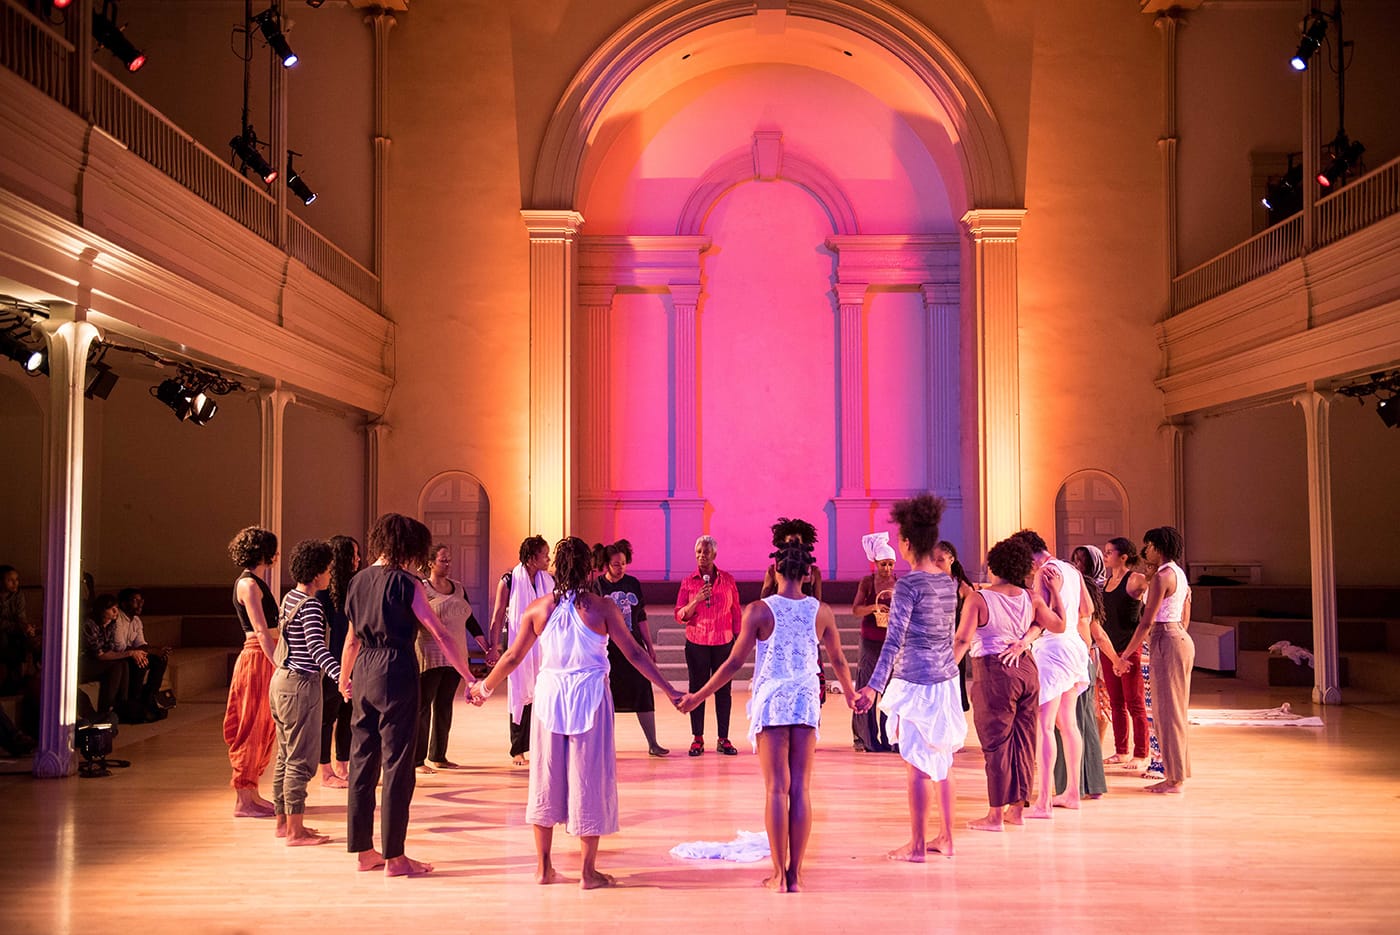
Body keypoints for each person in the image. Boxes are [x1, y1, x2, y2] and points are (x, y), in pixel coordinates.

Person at [471, 537, 681, 890]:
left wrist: (483, 688)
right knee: (590, 780)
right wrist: (670, 689)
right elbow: (635, 655)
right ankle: (587, 873)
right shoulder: (603, 608)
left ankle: (543, 868)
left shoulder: (538, 609)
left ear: (557, 568)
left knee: (545, 779)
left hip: (550, 696)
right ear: (589, 569)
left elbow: (511, 657)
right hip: (591, 698)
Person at [681, 534, 862, 892]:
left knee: (776, 789)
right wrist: (852, 695)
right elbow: (839, 659)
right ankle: (795, 875)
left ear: (775, 569)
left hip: (774, 699)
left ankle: (779, 876)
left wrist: (698, 695)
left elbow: (734, 662)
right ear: (807, 574)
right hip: (806, 700)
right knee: (802, 789)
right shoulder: (820, 610)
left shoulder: (759, 610)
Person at [340, 513, 479, 876]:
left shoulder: (357, 581)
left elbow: (352, 638)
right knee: (398, 765)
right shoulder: (407, 583)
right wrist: (469, 676)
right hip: (396, 669)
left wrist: (344, 677)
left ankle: (364, 851)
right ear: (410, 546)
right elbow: (439, 632)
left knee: (362, 762)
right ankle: (396, 857)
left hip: (365, 669)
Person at [856, 494, 967, 861]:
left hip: (917, 681)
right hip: (946, 679)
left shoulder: (909, 585)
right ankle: (946, 838)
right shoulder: (948, 583)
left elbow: (894, 639)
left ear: (906, 543)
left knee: (917, 766)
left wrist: (873, 686)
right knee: (943, 764)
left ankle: (918, 845)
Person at [955, 537, 1062, 832]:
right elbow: (1059, 625)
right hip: (1027, 670)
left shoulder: (980, 598)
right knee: (1024, 742)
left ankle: (994, 816)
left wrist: (944, 669)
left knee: (997, 746)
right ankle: (1016, 811)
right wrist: (1055, 594)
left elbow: (963, 639)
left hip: (995, 671)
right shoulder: (1031, 597)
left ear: (994, 566)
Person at [1011, 529, 1090, 819]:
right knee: (1068, 724)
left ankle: (1043, 801)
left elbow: (1044, 621)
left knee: (1044, 726)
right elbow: (1087, 610)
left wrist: (1023, 640)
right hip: (1074, 647)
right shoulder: (1071, 570)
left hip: (1053, 650)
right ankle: (1071, 792)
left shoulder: (1044, 573)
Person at [270, 539, 341, 846]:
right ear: (316, 574)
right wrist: (343, 678)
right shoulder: (311, 605)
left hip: (282, 681)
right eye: (327, 570)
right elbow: (317, 650)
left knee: (286, 756)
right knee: (300, 758)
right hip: (300, 685)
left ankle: (285, 824)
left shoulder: (289, 598)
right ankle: (295, 832)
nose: (329, 575)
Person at [1116, 526, 1193, 794]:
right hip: (1176, 637)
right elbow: (1185, 608)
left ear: (1158, 547)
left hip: (1167, 639)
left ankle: (1175, 779)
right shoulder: (1177, 573)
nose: (1144, 550)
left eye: (1147, 545)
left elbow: (1146, 622)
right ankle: (1177, 773)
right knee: (1171, 711)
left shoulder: (1163, 576)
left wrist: (1124, 655)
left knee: (1167, 712)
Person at [223, 526, 281, 818]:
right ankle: (244, 799)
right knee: (251, 725)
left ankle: (252, 793)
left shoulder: (256, 582)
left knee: (265, 727)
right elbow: (259, 629)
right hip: (258, 659)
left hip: (265, 656)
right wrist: (278, 662)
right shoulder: (247, 584)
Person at [592, 539, 668, 756]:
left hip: (633, 646)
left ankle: (653, 743)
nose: (621, 567)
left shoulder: (633, 583)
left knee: (643, 691)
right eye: (616, 564)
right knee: (607, 697)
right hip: (609, 650)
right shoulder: (598, 586)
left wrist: (649, 646)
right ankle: (606, 746)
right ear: (607, 564)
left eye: (624, 563)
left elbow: (640, 616)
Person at [416, 544, 488, 772]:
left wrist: (485, 644)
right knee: (423, 707)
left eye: (449, 560)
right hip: (430, 655)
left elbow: (469, 619)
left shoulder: (458, 588)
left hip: (455, 657)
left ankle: (438, 755)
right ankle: (417, 761)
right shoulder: (422, 587)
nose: (447, 564)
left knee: (445, 706)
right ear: (430, 563)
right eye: (442, 561)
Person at [488, 535, 553, 766]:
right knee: (519, 692)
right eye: (544, 554)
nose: (548, 558)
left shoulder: (549, 580)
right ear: (532, 557)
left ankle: (540, 744)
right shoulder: (509, 580)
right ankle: (518, 749)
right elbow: (498, 615)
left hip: (543, 644)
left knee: (542, 691)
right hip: (518, 639)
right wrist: (494, 647)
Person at [675, 534, 742, 756]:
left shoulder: (728, 580)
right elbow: (680, 614)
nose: (701, 556)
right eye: (698, 552)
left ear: (714, 554)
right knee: (697, 689)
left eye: (705, 552)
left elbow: (736, 611)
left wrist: (738, 638)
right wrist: (696, 600)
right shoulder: (688, 582)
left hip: (723, 642)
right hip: (697, 642)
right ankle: (697, 738)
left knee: (724, 691)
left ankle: (723, 738)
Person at [1053, 546, 1112, 799]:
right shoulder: (1084, 590)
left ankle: (1071, 786)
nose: (1077, 564)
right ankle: (1093, 785)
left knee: (1066, 724)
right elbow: (1088, 617)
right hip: (1083, 656)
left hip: (1071, 657)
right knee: (1084, 721)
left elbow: (1075, 623)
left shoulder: (1069, 593)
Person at [1100, 537, 1149, 770]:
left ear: (1124, 556)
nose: (1106, 555)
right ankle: (1121, 751)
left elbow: (1158, 590)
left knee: (1135, 703)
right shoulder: (1105, 583)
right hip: (1109, 650)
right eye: (1105, 551)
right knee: (1116, 702)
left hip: (1129, 649)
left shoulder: (1136, 579)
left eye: (1110, 551)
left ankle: (1141, 753)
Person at [317, 535, 360, 789]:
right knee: (327, 717)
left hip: (354, 661)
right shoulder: (325, 591)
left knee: (348, 714)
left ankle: (343, 764)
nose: (357, 559)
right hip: (331, 664)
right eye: (353, 555)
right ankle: (325, 771)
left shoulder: (355, 585)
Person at [850, 531, 897, 753]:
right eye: (883, 564)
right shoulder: (867, 582)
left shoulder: (898, 582)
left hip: (891, 643)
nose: (887, 569)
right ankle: (866, 737)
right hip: (870, 640)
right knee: (867, 686)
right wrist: (874, 608)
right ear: (876, 563)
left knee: (890, 690)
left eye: (890, 564)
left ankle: (890, 737)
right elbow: (856, 609)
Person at [114, 588, 171, 722]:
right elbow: (120, 647)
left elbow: (141, 644)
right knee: (139, 662)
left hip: (134, 653)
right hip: (119, 657)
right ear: (123, 604)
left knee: (159, 659)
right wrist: (140, 652)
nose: (140, 604)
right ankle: (135, 701)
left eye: (141, 601)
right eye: (135, 601)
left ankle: (150, 696)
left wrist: (155, 650)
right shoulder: (117, 620)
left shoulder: (136, 621)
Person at [932, 541, 976, 711]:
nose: (936, 564)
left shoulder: (963, 587)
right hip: (933, 643)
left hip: (955, 644)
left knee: (953, 686)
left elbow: (973, 618)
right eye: (934, 560)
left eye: (940, 560)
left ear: (951, 559)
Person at [78, 594, 132, 718]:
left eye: (116, 608)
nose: (115, 611)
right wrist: (129, 653)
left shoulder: (111, 624)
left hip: (97, 660)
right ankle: (105, 708)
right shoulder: (89, 625)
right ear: (102, 610)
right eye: (111, 609)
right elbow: (100, 654)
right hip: (83, 662)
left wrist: (126, 655)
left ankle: (122, 704)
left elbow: (110, 649)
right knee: (116, 666)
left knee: (123, 663)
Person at [759, 517, 823, 600]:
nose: (793, 546)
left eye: (797, 541)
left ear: (804, 544)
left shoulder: (814, 572)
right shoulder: (772, 570)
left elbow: (818, 601)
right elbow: (764, 599)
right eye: (790, 542)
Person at [0, 565, 40, 695]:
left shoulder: (18, 595)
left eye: (16, 579)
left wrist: (26, 627)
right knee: (4, 639)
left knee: (29, 639)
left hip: (14, 629)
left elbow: (20, 616)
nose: (15, 583)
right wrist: (18, 626)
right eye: (10, 580)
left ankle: (23, 679)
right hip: (3, 631)